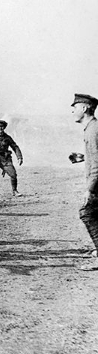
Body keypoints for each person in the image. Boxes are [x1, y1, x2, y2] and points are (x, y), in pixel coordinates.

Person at [69, 93, 98, 271]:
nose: (72, 110)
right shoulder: (92, 127)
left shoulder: (93, 129)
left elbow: (97, 164)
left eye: (75, 107)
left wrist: (90, 189)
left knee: (86, 213)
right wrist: (83, 157)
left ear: (85, 108)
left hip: (97, 182)